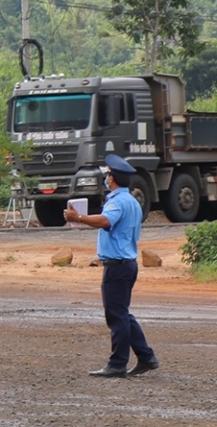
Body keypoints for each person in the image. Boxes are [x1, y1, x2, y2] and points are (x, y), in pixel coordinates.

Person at [64, 153, 159, 378]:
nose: (106, 178)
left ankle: (117, 363)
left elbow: (106, 221)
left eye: (107, 175)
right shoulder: (133, 201)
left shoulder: (116, 202)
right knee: (122, 313)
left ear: (112, 178)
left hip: (117, 266)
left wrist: (79, 218)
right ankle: (146, 357)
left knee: (116, 315)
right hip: (128, 264)